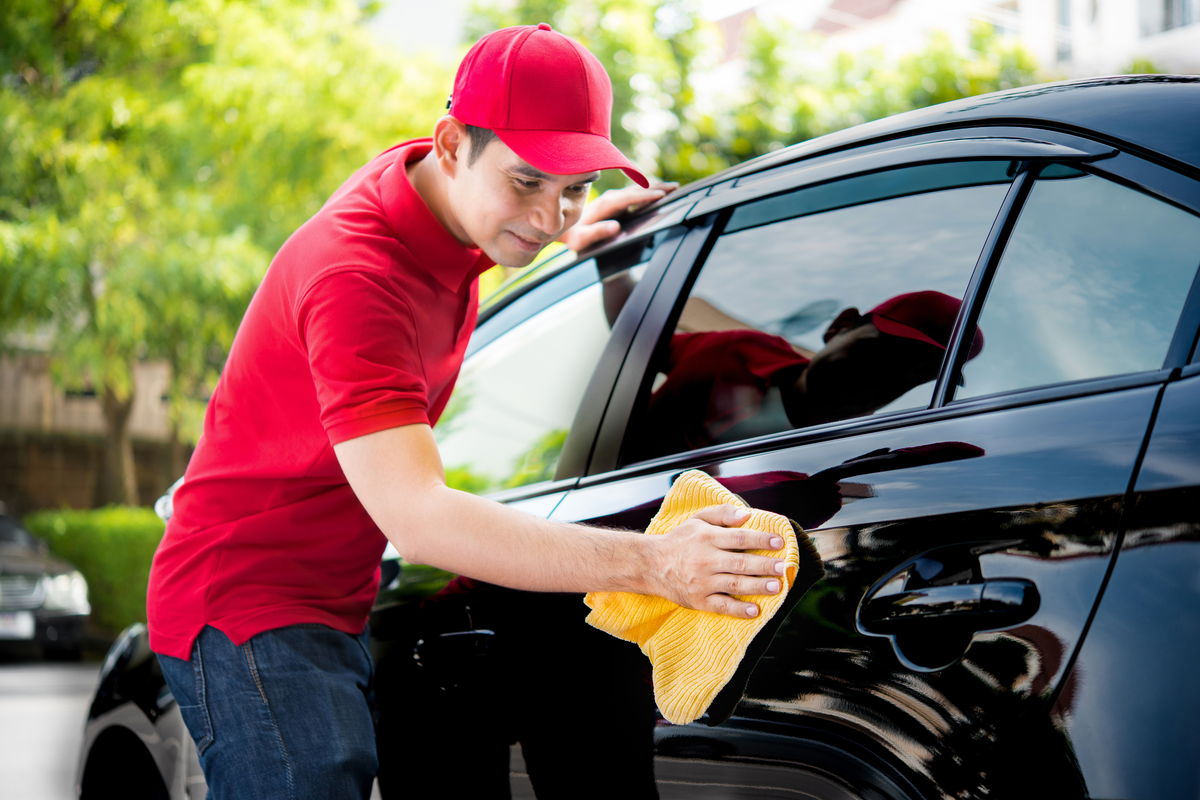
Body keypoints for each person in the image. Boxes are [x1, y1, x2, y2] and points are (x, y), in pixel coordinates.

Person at [146, 24, 792, 799]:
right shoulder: (355, 276)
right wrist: (656, 564)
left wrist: (582, 242)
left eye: (574, 189)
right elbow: (420, 519)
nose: (550, 217)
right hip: (247, 602)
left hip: (337, 598)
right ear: (452, 144)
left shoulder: (442, 205)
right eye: (529, 183)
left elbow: (510, 216)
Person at [630, 290, 985, 461]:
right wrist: (614, 263)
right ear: (841, 325)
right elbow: (635, 343)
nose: (884, 380)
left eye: (914, 376)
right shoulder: (740, 351)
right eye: (881, 354)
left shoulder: (841, 467)